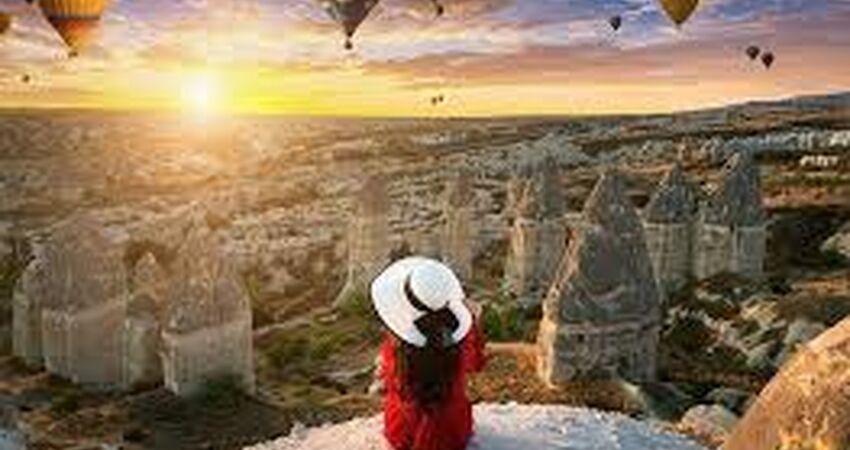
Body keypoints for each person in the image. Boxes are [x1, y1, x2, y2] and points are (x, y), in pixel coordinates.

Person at [372, 256, 486, 450]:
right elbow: (476, 364)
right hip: (452, 433)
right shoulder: (460, 336)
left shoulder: (398, 342)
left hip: (402, 432)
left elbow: (387, 378)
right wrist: (474, 323)